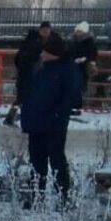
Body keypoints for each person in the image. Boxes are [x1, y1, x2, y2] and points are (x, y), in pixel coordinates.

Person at [20, 33, 82, 203]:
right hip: (37, 122)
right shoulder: (41, 67)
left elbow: (71, 97)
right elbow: (30, 94)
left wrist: (57, 114)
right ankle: (35, 195)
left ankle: (63, 196)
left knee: (57, 161)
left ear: (54, 53)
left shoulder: (67, 69)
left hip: (54, 124)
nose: (41, 54)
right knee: (36, 162)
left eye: (45, 51)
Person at [4, 22, 51, 125]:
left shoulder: (24, 45)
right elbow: (40, 60)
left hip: (22, 76)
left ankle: (10, 117)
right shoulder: (37, 46)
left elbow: (16, 59)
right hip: (32, 77)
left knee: (20, 99)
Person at [66, 21, 98, 99]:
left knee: (80, 84)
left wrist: (86, 59)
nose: (78, 33)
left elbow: (93, 53)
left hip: (83, 66)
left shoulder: (89, 42)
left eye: (80, 31)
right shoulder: (71, 40)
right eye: (77, 31)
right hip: (74, 65)